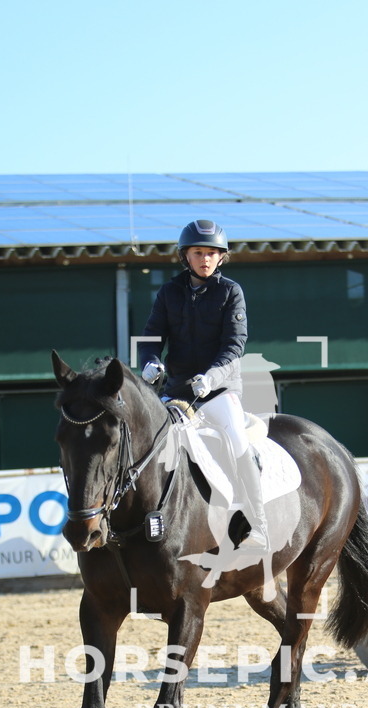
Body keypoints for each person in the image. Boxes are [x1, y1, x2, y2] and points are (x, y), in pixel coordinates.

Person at [139, 219, 268, 549]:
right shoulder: (169, 292)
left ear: (221, 258)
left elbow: (234, 346)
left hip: (220, 391)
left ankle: (258, 525)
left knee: (238, 442)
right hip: (177, 392)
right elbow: (151, 337)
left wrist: (211, 378)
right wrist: (151, 361)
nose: (206, 259)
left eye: (212, 253)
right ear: (185, 256)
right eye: (199, 252)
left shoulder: (230, 292)